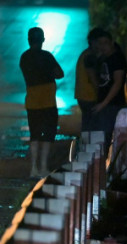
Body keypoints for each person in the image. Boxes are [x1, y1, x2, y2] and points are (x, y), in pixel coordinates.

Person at [19, 27, 64, 178]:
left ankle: (33, 169)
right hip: (48, 102)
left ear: (29, 40)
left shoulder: (24, 57)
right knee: (48, 135)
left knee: (35, 135)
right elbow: (60, 73)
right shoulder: (47, 56)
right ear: (43, 40)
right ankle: (43, 167)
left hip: (32, 102)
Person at [87, 28, 127, 149]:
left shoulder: (117, 58)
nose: (102, 46)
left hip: (112, 104)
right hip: (104, 103)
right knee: (100, 137)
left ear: (111, 42)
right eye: (100, 43)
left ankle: (102, 164)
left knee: (104, 137)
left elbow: (117, 83)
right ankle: (99, 164)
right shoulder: (104, 58)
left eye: (105, 43)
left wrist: (103, 103)